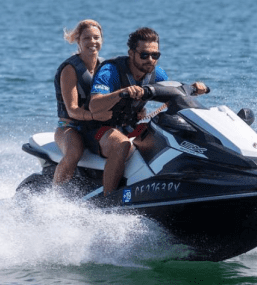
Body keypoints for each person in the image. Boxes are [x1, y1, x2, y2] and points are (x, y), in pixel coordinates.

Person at [88, 27, 207, 195]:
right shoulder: (111, 71)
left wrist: (193, 89)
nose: (150, 60)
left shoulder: (157, 74)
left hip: (128, 127)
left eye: (155, 55)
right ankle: (108, 198)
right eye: (144, 55)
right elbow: (94, 106)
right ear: (131, 53)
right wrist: (121, 93)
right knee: (122, 145)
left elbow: (173, 97)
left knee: (167, 135)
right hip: (97, 130)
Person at [52, 19, 112, 186]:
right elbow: (72, 110)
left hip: (94, 127)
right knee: (74, 152)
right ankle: (55, 196)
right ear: (78, 41)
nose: (92, 42)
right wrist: (95, 114)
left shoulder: (105, 67)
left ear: (102, 40)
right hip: (69, 127)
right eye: (86, 38)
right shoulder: (70, 69)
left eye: (96, 37)